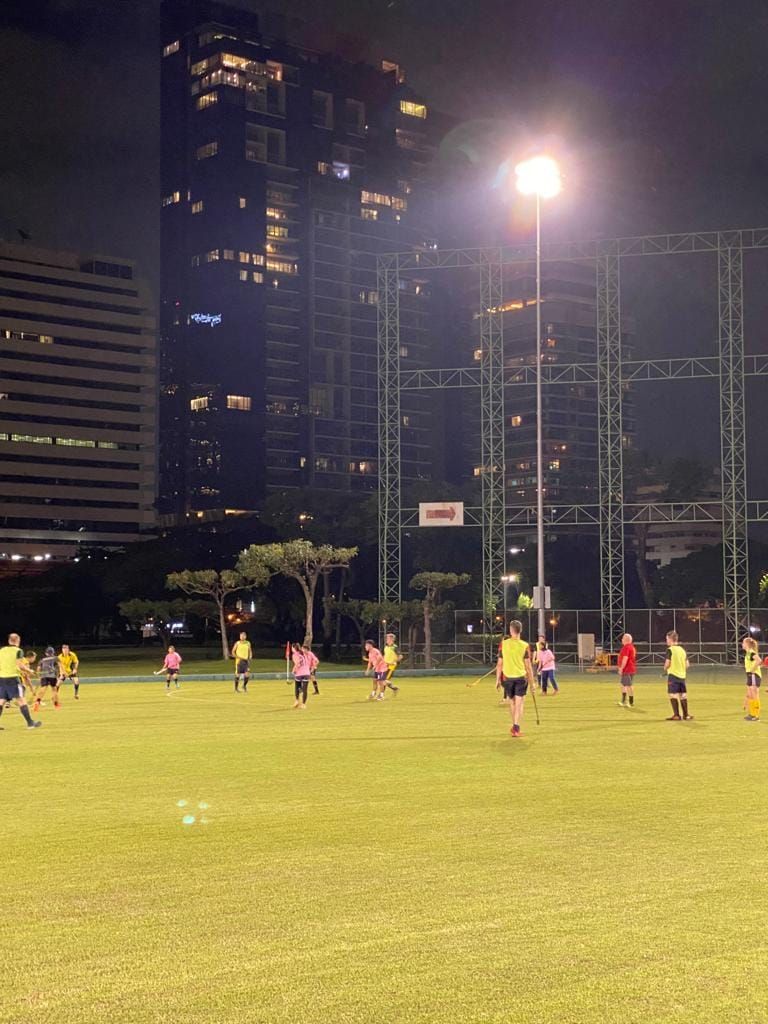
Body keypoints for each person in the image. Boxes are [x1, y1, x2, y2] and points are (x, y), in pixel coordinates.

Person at [496, 620, 534, 738]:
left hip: (507, 678)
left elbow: (499, 664)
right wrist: (532, 683)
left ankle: (514, 726)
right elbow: (528, 666)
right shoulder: (524, 645)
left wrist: (497, 679)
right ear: (520, 630)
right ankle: (516, 727)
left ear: (510, 630)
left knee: (512, 702)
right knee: (519, 703)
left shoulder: (504, 644)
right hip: (520, 677)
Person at [0, 633, 42, 729]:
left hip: (2, 678)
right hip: (13, 679)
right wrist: (29, 670)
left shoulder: (1, 650)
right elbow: (19, 665)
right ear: (18, 641)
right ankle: (30, 723)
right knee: (21, 699)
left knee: (1, 701)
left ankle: (30, 723)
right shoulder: (18, 651)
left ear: (9, 641)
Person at [664, 630, 692, 721]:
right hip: (682, 676)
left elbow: (668, 663)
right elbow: (687, 664)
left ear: (671, 639)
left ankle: (676, 715)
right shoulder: (682, 650)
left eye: (667, 639)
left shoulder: (670, 650)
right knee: (683, 695)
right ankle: (686, 715)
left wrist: (665, 668)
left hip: (673, 675)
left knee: (673, 695)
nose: (666, 641)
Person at [33, 647, 61, 711]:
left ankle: (37, 702)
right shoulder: (55, 658)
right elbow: (60, 666)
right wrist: (61, 673)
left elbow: (38, 670)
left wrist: (39, 677)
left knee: (42, 689)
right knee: (54, 690)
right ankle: (56, 704)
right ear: (53, 652)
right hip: (52, 676)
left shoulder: (42, 660)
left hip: (44, 676)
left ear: (46, 653)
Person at [742, 636, 761, 721]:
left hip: (754, 675)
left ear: (747, 644)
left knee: (754, 695)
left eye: (743, 642)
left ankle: (756, 715)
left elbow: (759, 660)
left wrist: (752, 670)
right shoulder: (748, 653)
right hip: (749, 675)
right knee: (750, 695)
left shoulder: (751, 652)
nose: (742, 644)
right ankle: (751, 714)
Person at [617, 632, 637, 708]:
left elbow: (625, 658)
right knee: (623, 685)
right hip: (631, 669)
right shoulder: (632, 647)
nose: (621, 640)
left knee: (628, 685)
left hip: (627, 669)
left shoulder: (626, 647)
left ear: (626, 639)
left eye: (622, 638)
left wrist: (621, 668)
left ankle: (631, 702)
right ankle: (623, 700)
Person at [291, 642, 310, 709]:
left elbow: (297, 663)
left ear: (294, 648)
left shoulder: (295, 654)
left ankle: (297, 701)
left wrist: (293, 671)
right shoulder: (303, 653)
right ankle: (303, 704)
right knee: (305, 689)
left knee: (297, 687)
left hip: (299, 673)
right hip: (307, 672)